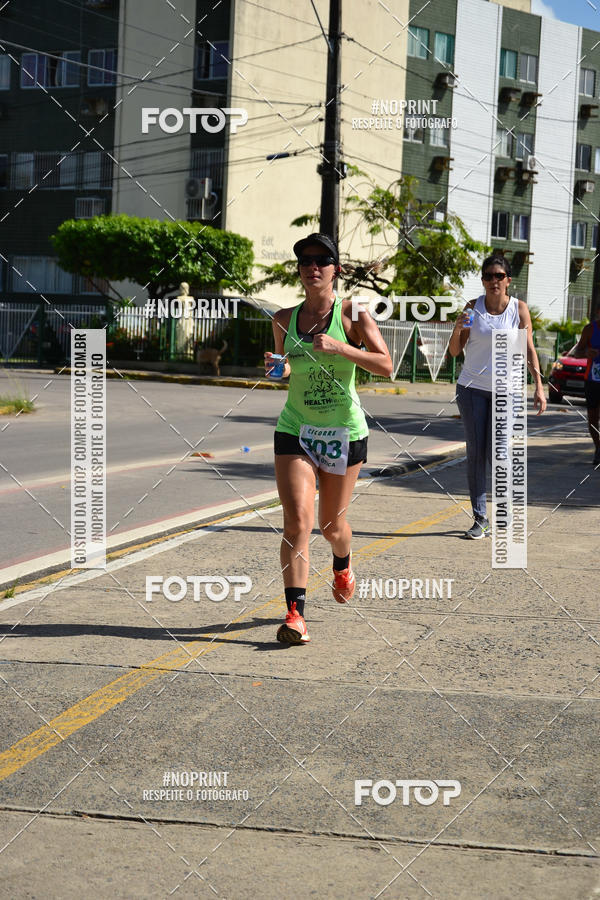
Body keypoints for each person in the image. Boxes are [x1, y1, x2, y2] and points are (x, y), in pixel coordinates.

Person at [265, 233, 393, 644]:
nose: (312, 267)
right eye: (305, 261)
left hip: (343, 433)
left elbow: (386, 365)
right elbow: (285, 372)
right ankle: (294, 615)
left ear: (336, 269)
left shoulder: (354, 312)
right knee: (297, 522)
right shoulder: (283, 319)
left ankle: (342, 562)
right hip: (296, 429)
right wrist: (275, 369)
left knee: (331, 526)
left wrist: (340, 347)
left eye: (322, 260)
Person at [448, 255, 546, 539]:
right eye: (489, 276)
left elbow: (529, 350)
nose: (494, 281)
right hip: (471, 389)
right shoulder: (472, 308)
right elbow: (455, 352)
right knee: (476, 454)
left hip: (508, 390)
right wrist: (457, 327)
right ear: (483, 281)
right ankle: (481, 518)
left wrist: (538, 387)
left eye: (499, 276)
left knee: (500, 453)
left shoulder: (519, 309)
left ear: (508, 281)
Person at [567, 307, 600, 465]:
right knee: (593, 417)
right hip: (593, 380)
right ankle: (598, 448)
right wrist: (587, 352)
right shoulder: (590, 329)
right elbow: (577, 352)